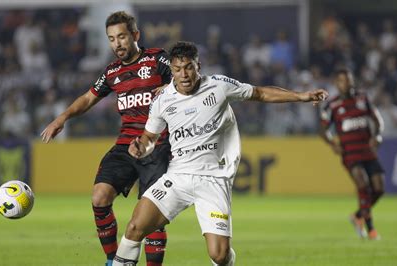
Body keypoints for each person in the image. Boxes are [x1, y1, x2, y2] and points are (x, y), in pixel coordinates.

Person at [112, 41, 328, 266]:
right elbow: (149, 138)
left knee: (219, 255)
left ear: (199, 66)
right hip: (178, 177)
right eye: (177, 69)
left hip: (213, 179)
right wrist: (140, 147)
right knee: (135, 228)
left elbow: (260, 93)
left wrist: (302, 96)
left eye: (189, 67)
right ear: (172, 71)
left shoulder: (219, 86)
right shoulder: (162, 100)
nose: (184, 74)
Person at [40, 11, 171, 266]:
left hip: (157, 144)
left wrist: (171, 86)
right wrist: (62, 118)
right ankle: (113, 261)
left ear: (135, 35)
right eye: (111, 39)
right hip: (125, 145)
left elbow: (187, 77)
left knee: (151, 212)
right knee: (99, 197)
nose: (117, 44)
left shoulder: (157, 59)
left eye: (122, 37)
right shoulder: (112, 72)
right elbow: (89, 98)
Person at [319, 69, 385, 240]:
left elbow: (378, 120)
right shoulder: (332, 105)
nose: (346, 84)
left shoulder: (363, 98)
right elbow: (322, 130)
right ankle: (371, 229)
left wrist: (377, 136)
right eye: (342, 81)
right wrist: (333, 143)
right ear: (336, 83)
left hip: (367, 150)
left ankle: (357, 216)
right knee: (363, 185)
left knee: (379, 189)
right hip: (350, 152)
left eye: (348, 80)